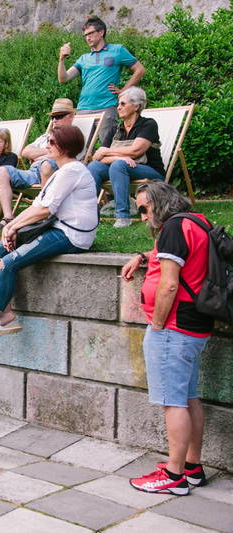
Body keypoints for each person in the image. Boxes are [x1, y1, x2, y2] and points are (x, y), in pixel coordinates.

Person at [0, 125, 98, 340]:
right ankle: (6, 312)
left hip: (72, 235)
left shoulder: (72, 171)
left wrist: (13, 227)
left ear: (64, 147)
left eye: (51, 142)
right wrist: (11, 226)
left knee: (8, 263)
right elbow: (37, 205)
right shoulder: (62, 171)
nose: (47, 146)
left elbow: (45, 210)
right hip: (57, 227)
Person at [122, 182, 213, 496]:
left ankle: (174, 476)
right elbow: (178, 256)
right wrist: (143, 256)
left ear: (159, 203)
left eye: (144, 209)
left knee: (173, 402)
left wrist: (158, 324)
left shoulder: (173, 228)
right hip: (195, 325)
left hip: (173, 328)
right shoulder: (196, 222)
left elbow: (170, 284)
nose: (143, 217)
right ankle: (192, 467)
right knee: (188, 398)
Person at [58, 15, 146, 146]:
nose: (88, 38)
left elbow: (140, 70)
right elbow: (63, 78)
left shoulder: (117, 50)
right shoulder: (84, 58)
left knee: (107, 147)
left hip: (107, 108)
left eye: (91, 33)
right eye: (85, 35)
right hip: (83, 109)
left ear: (101, 32)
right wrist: (61, 59)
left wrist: (123, 91)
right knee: (80, 149)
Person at [87, 86, 165, 227]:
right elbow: (97, 157)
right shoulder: (115, 129)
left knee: (118, 166)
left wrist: (107, 152)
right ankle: (89, 213)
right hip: (120, 169)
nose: (118, 107)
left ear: (136, 106)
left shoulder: (148, 124)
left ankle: (123, 216)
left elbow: (136, 151)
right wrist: (119, 158)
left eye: (123, 104)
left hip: (151, 171)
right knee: (94, 166)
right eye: (118, 104)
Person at [0, 98, 77, 223]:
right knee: (1, 171)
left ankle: (44, 214)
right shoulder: (45, 136)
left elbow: (65, 156)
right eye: (53, 117)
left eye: (59, 116)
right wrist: (48, 153)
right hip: (33, 173)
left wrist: (39, 157)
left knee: (46, 165)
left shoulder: (74, 136)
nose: (54, 120)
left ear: (70, 116)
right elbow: (25, 151)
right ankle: (8, 217)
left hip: (54, 174)